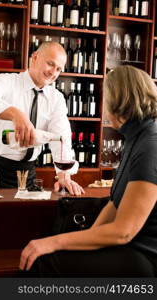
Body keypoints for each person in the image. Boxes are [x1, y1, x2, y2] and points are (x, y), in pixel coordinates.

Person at [19, 65, 157, 277]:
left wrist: (52, 243)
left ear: (119, 100)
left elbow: (124, 231)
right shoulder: (135, 136)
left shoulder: (150, 144)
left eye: (107, 97)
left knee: (43, 262)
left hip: (145, 258)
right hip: (131, 249)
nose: (103, 105)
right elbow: (114, 204)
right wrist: (89, 239)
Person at [0, 41, 84, 195]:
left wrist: (64, 175)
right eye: (50, 64)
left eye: (58, 69)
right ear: (35, 57)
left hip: (28, 174)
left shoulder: (56, 98)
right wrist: (14, 114)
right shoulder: (6, 81)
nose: (53, 72)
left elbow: (61, 139)